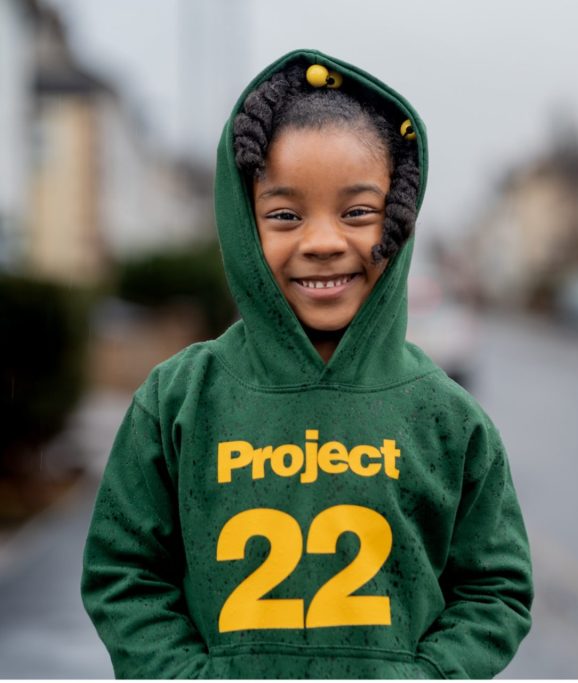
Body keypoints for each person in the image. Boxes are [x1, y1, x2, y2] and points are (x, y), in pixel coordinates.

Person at [81, 49, 533, 679]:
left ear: (398, 219)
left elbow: (495, 590)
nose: (322, 242)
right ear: (244, 223)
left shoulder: (446, 417)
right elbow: (124, 574)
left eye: (356, 212)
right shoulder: (179, 398)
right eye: (285, 215)